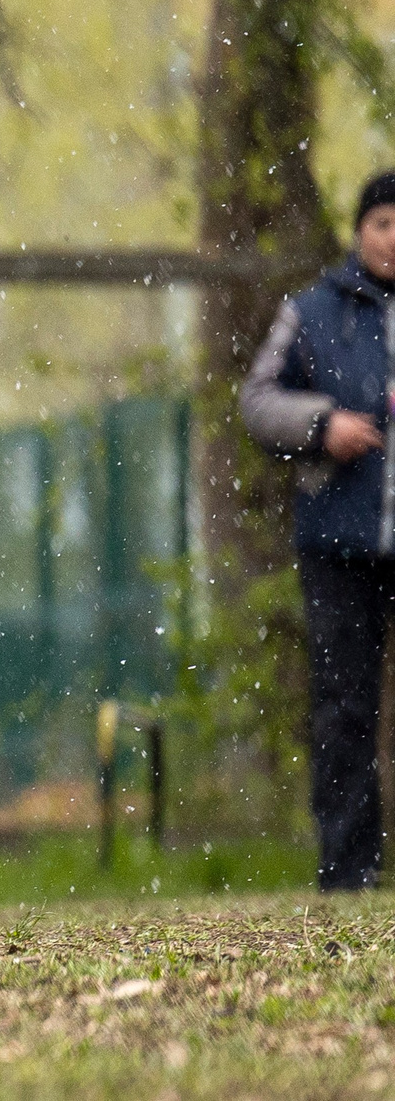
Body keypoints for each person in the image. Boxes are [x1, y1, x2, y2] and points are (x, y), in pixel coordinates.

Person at [241, 169, 395, 890]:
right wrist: (320, 424)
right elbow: (257, 401)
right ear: (359, 231)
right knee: (343, 708)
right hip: (338, 543)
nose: (394, 240)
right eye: (383, 224)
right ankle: (348, 869)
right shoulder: (311, 312)